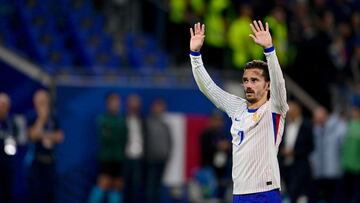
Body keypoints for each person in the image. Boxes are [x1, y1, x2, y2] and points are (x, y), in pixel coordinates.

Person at [189, 21, 289, 202]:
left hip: (265, 193)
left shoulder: (274, 109)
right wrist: (195, 56)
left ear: (267, 85)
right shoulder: (237, 108)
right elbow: (209, 88)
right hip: (240, 194)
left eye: (255, 80)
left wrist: (270, 51)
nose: (248, 85)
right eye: (246, 80)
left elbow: (279, 84)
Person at [88, 92, 128, 203]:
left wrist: (114, 132)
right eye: (113, 102)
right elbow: (108, 137)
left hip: (119, 158)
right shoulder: (102, 118)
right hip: (106, 157)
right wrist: (116, 133)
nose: (116, 104)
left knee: (117, 185)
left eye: (118, 102)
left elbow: (124, 136)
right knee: (103, 183)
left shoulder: (122, 119)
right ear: (108, 103)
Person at [27, 89, 64, 203]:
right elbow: (32, 136)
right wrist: (41, 119)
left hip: (51, 161)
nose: (43, 105)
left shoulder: (54, 118)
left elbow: (60, 137)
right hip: (36, 162)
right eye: (40, 102)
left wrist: (43, 135)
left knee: (50, 194)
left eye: (45, 102)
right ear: (35, 103)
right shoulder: (32, 117)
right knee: (36, 194)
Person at [310, 106, 347, 203]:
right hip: (319, 173)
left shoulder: (339, 128)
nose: (317, 122)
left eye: (319, 119)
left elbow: (344, 149)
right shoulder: (316, 129)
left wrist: (341, 167)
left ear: (325, 117)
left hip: (335, 173)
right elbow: (313, 150)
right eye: (316, 120)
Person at [279, 100, 314, 202]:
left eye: (292, 111)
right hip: (286, 167)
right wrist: (282, 150)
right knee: (288, 193)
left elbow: (311, 147)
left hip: (300, 168)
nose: (289, 114)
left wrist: (294, 152)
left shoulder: (307, 125)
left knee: (299, 195)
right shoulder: (284, 125)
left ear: (298, 111)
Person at [144, 98, 172, 203]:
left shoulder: (165, 124)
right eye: (158, 106)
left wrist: (167, 155)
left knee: (159, 185)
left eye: (161, 107)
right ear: (153, 108)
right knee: (151, 186)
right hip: (151, 160)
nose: (160, 109)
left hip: (162, 159)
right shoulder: (148, 122)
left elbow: (169, 141)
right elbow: (145, 141)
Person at [124, 94, 146, 203]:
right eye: (132, 105)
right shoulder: (123, 119)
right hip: (126, 158)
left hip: (138, 158)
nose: (134, 108)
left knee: (136, 186)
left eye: (136, 106)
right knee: (124, 186)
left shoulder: (142, 120)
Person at [0, 93, 18, 203]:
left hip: (7, 164)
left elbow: (16, 141)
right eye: (1, 105)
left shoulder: (11, 122)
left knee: (7, 193)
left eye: (5, 105)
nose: (2, 108)